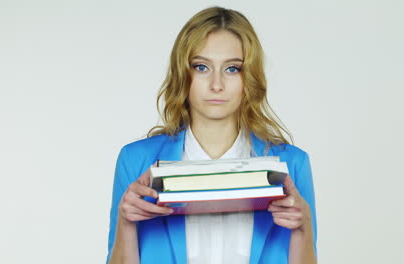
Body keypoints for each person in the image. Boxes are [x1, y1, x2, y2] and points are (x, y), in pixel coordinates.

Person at [107, 6, 317, 264]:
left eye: (232, 69)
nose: (216, 85)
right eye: (201, 67)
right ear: (183, 74)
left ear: (249, 77)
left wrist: (303, 225)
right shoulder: (135, 161)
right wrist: (126, 223)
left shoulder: (293, 164)